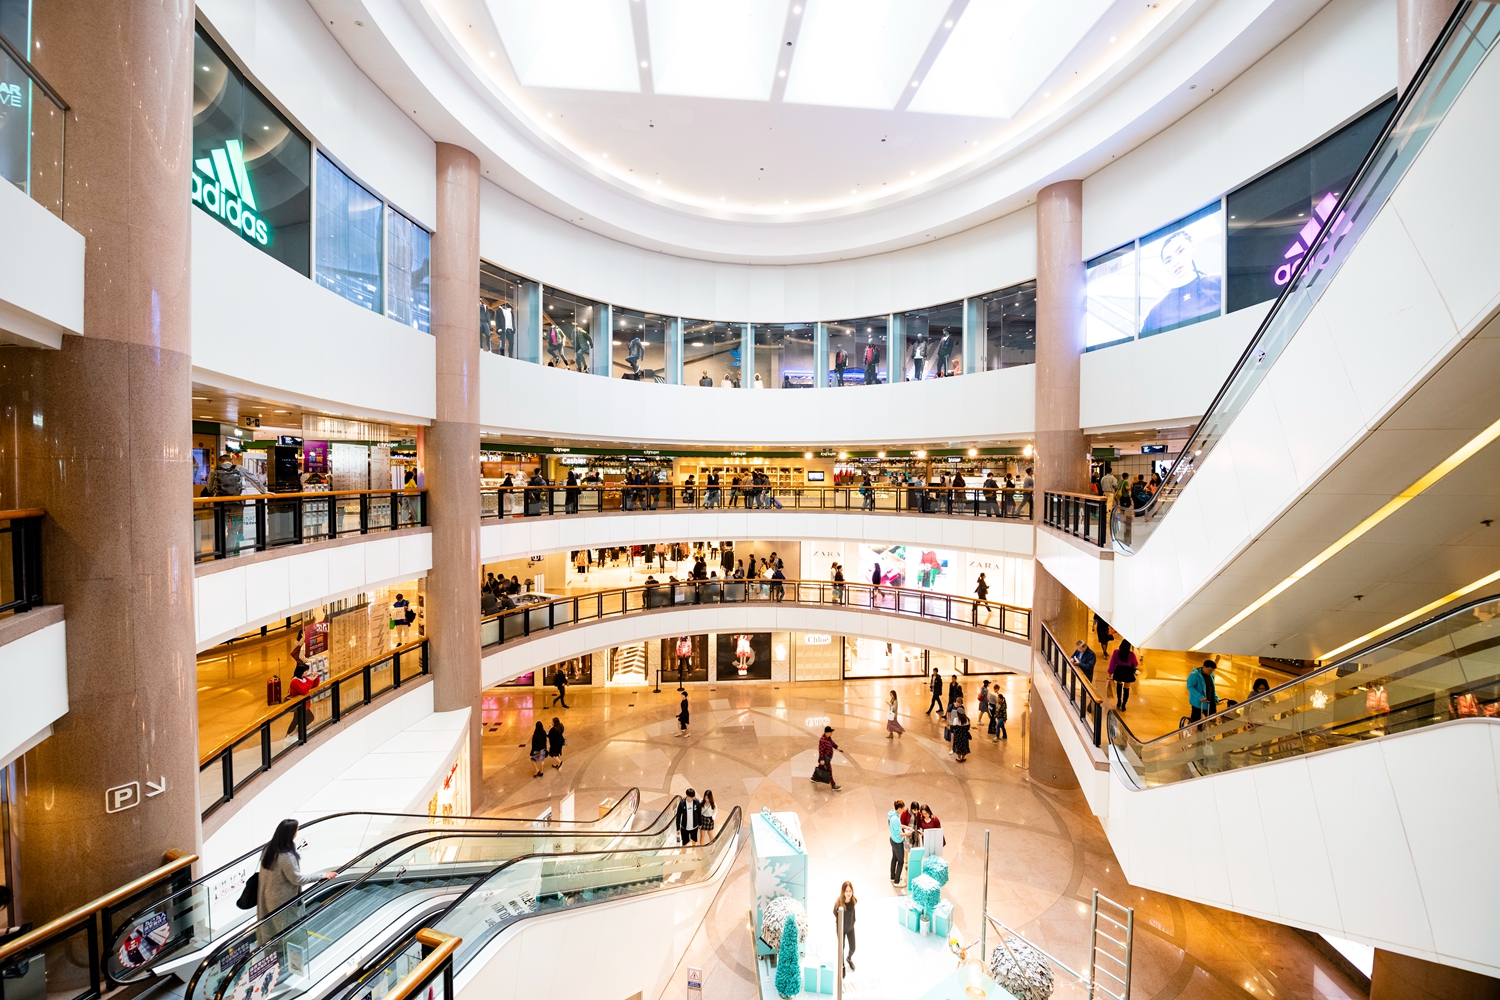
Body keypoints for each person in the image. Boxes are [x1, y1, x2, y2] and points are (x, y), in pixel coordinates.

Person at [257, 819, 335, 941]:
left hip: (267, 895)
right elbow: (297, 879)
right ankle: (287, 957)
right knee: (290, 933)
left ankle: (273, 955)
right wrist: (323, 875)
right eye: (297, 829)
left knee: (270, 932)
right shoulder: (286, 855)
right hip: (282, 901)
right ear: (291, 833)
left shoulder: (269, 847)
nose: (297, 832)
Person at [1141, 227, 1222, 335]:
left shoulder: (1219, 283)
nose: (1176, 262)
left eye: (1180, 251)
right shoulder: (1156, 312)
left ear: (1192, 246)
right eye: (1168, 260)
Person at [286, 662, 320, 738]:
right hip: (298, 704)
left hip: (304, 704)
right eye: (305, 671)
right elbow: (304, 690)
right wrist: (311, 680)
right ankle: (292, 733)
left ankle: (291, 733)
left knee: (297, 719)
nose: (306, 672)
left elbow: (313, 685)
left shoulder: (304, 678)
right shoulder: (295, 681)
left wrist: (315, 678)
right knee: (308, 718)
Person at [1108, 641, 1139, 710]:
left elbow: (1112, 663)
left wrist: (1110, 672)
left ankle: (1119, 701)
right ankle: (1124, 704)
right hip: (1128, 672)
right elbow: (1136, 664)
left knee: (1119, 686)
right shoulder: (1131, 654)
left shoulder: (1116, 652)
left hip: (1119, 670)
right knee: (1126, 689)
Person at [833, 882, 857, 973]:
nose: (848, 893)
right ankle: (842, 964)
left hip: (851, 928)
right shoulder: (839, 902)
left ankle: (849, 958)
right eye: (846, 891)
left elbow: (854, 913)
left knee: (853, 948)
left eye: (850, 891)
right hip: (841, 929)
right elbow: (834, 913)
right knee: (841, 948)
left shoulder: (853, 901)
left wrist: (853, 922)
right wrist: (840, 922)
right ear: (843, 892)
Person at [1187, 658, 1218, 723]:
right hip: (1198, 703)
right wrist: (1200, 696)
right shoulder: (1194, 675)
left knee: (1212, 720)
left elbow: (1211, 687)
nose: (1211, 672)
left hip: (1210, 702)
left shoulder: (1211, 675)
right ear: (1204, 667)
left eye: (1212, 671)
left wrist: (1216, 698)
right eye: (1209, 670)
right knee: (1196, 721)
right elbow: (1190, 687)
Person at [888, 800, 908, 884]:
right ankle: (897, 881)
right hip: (897, 842)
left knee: (894, 858)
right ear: (899, 808)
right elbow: (899, 834)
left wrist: (903, 826)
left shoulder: (892, 814)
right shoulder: (895, 819)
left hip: (892, 839)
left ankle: (893, 876)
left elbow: (895, 827)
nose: (903, 810)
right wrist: (907, 833)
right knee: (901, 861)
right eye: (902, 808)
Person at [815, 725, 841, 790]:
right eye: (830, 732)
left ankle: (813, 777)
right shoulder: (822, 740)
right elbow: (821, 750)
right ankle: (833, 785)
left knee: (820, 767)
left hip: (828, 757)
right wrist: (821, 759)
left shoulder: (828, 738)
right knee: (829, 770)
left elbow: (832, 743)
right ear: (827, 733)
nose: (832, 733)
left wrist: (837, 747)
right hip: (825, 758)